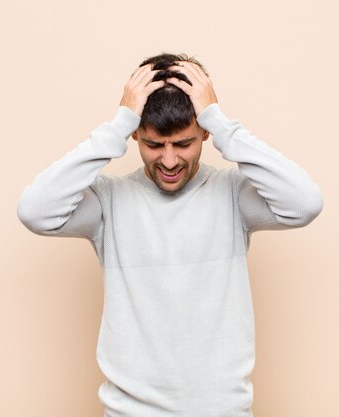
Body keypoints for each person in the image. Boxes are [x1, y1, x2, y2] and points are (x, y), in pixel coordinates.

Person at [17, 53, 323, 417]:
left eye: (183, 143)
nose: (169, 160)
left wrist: (222, 123)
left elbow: (304, 202)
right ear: (134, 135)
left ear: (205, 133)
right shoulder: (108, 202)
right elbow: (35, 210)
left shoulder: (233, 195)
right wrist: (118, 124)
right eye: (153, 144)